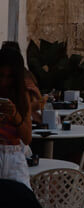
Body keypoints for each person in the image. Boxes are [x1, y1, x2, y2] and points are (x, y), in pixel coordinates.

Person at [0, 44, 33, 189]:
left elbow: (27, 138)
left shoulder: (22, 97)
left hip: (14, 157)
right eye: (1, 76)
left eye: (9, 77)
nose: (4, 82)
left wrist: (15, 115)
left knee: (22, 198)